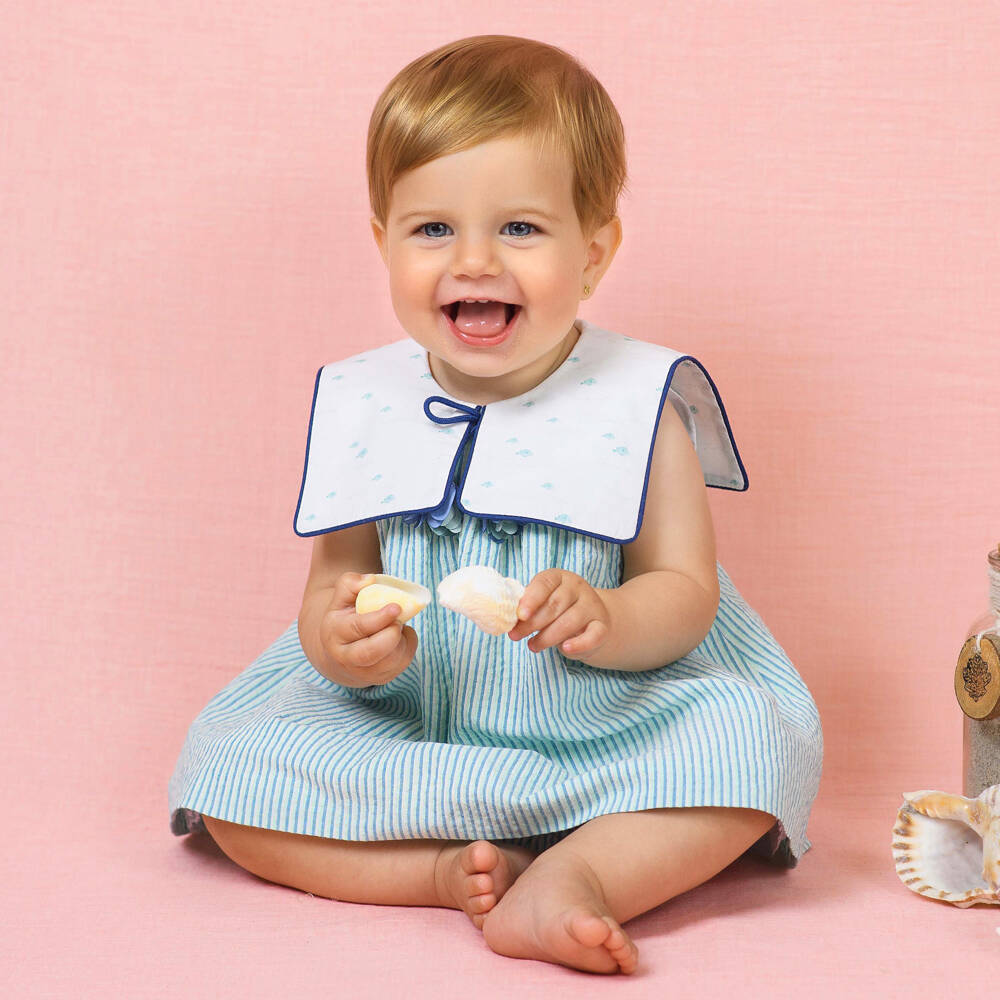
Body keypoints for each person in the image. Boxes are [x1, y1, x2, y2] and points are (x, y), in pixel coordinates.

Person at [169, 34, 823, 975]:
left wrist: (610, 616)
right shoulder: (368, 404)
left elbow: (685, 588)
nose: (474, 261)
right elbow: (335, 583)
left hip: (605, 728)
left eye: (520, 228)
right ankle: (441, 871)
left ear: (593, 254)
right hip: (405, 728)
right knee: (226, 776)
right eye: (433, 230)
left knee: (748, 746)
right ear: (383, 241)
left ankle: (580, 875)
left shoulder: (639, 407)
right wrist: (343, 644)